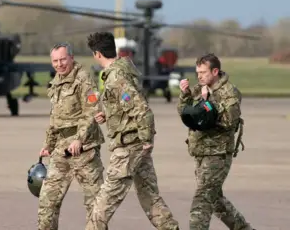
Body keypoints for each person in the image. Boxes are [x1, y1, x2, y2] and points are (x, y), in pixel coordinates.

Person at [85, 32, 180, 230]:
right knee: (150, 198)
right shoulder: (122, 71)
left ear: (97, 54)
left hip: (128, 146)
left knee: (104, 201)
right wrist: (107, 114)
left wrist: (146, 139)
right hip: (136, 145)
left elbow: (142, 110)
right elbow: (124, 104)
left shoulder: (116, 77)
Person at [177, 53, 255, 230]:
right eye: (198, 72)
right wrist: (185, 95)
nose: (199, 76)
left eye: (203, 72)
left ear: (215, 71)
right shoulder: (199, 88)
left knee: (202, 199)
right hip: (200, 151)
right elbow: (185, 113)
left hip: (217, 153)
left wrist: (207, 103)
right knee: (215, 201)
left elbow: (229, 121)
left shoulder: (230, 92)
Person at [38, 42, 106, 230]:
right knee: (47, 201)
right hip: (61, 149)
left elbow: (92, 109)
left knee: (95, 204)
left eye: (62, 59)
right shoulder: (56, 81)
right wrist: (49, 144)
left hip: (84, 150)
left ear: (71, 58)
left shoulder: (83, 78)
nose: (59, 64)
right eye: (55, 61)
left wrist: (80, 139)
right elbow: (55, 116)